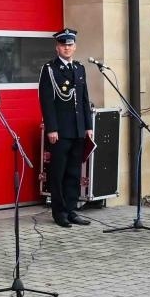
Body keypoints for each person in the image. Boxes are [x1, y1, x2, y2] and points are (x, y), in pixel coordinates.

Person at [39, 27, 95, 228]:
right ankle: (59, 212)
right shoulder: (50, 70)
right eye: (63, 45)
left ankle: (71, 209)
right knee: (58, 172)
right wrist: (52, 128)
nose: (67, 48)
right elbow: (47, 101)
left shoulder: (79, 68)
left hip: (78, 130)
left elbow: (84, 100)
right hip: (60, 131)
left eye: (70, 45)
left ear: (75, 47)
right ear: (57, 47)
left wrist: (88, 126)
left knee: (74, 172)